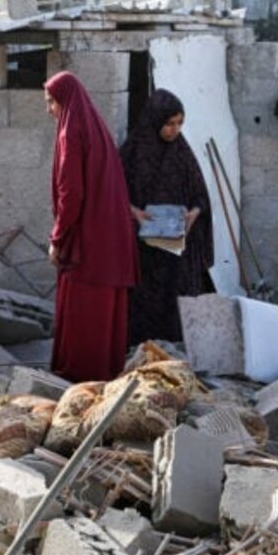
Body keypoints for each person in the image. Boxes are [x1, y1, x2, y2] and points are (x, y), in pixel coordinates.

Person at [44, 71, 139, 383]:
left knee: (84, 314)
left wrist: (58, 238)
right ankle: (104, 375)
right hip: (110, 239)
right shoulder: (95, 127)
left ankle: (80, 379)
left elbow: (71, 194)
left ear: (65, 101)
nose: (49, 110)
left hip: (88, 243)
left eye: (52, 102)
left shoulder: (70, 132)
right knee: (104, 315)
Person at [119, 89, 214, 345]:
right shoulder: (132, 154)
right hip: (144, 252)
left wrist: (193, 214)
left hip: (177, 253)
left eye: (180, 123)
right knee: (143, 311)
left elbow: (201, 196)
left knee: (177, 309)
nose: (175, 130)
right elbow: (112, 195)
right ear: (155, 120)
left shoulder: (182, 153)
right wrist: (134, 212)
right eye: (169, 123)